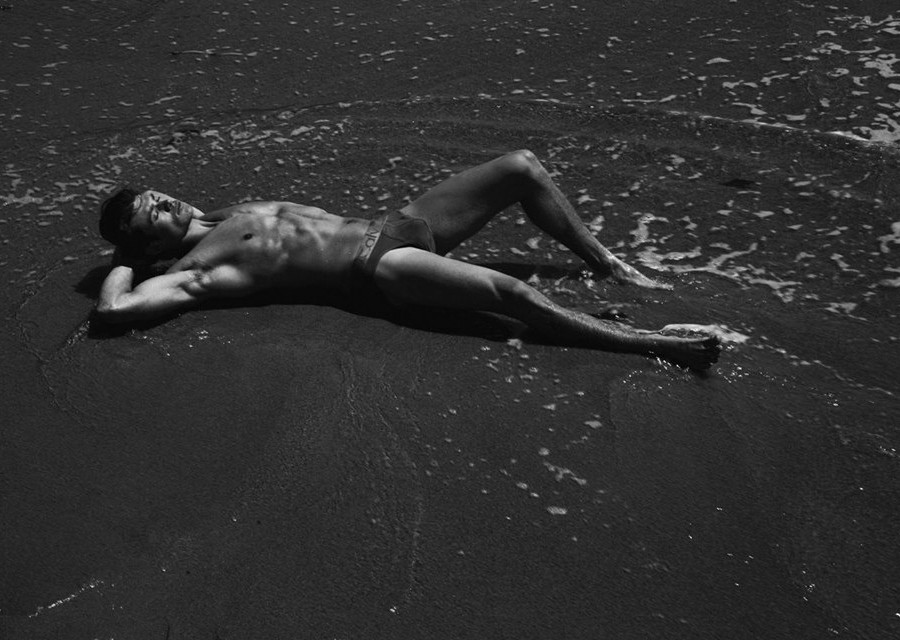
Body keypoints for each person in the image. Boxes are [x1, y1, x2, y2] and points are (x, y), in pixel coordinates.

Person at [96, 149, 721, 369]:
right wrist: (124, 262)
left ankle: (609, 265)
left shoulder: (228, 211)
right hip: (377, 271)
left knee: (521, 168)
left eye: (156, 195)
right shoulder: (194, 270)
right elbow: (115, 311)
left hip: (394, 226)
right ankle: (654, 345)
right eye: (152, 215)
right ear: (147, 244)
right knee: (513, 296)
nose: (163, 201)